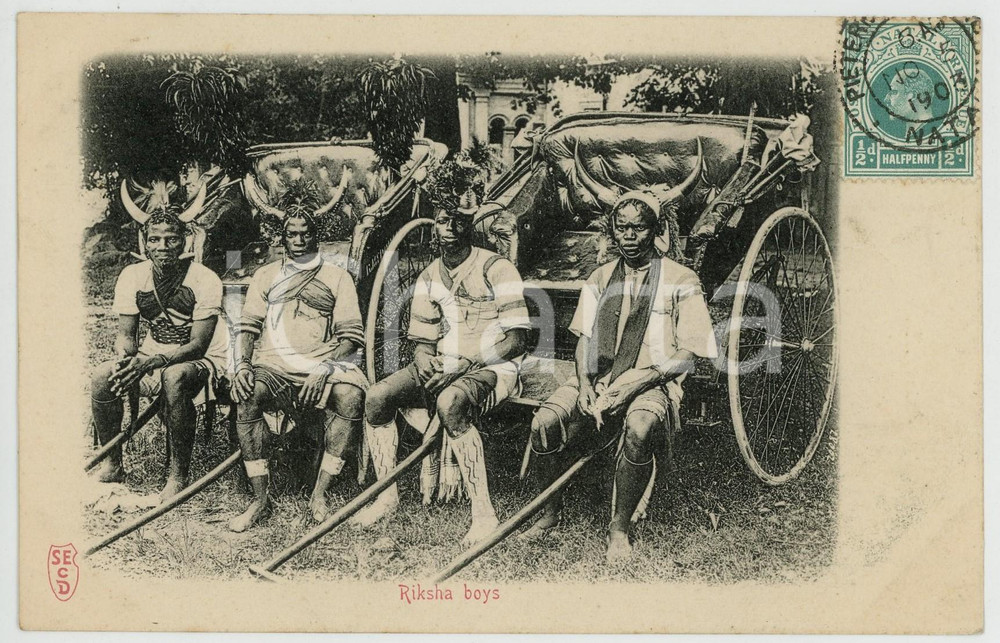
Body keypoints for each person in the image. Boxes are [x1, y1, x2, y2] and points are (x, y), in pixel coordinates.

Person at [520, 188, 718, 563]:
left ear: (656, 230)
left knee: (640, 428)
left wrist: (637, 384)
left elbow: (688, 353)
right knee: (543, 423)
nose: (629, 236)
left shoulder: (681, 279)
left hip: (653, 381)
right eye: (621, 227)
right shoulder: (600, 277)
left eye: (638, 228)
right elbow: (584, 340)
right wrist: (583, 385)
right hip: (598, 378)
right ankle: (549, 513)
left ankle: (619, 527)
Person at [355, 190, 532, 546]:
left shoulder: (497, 268)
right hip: (445, 365)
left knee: (450, 402)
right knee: (376, 397)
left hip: (493, 366)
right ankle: (387, 496)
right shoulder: (428, 276)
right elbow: (422, 344)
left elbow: (516, 342)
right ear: (434, 225)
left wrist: (467, 362)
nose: (449, 229)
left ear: (472, 225)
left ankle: (484, 515)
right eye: (442, 221)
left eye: (458, 222)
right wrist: (424, 361)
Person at [227, 202, 368, 532]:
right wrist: (243, 365)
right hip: (273, 365)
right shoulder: (265, 275)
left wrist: (326, 367)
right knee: (247, 394)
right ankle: (260, 499)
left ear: (317, 237)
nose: (299, 240)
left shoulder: (337, 277)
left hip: (323, 363)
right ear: (283, 237)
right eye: (292, 234)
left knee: (350, 396)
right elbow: (247, 329)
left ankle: (320, 494)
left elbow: (351, 337)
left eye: (306, 234)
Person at [90, 204, 230, 500]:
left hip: (204, 359)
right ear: (144, 242)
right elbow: (126, 335)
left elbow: (198, 345)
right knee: (103, 376)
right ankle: (113, 464)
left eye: (171, 239)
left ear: (185, 241)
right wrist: (125, 358)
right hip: (152, 355)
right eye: (154, 239)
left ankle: (178, 475)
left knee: (174, 376)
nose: (162, 246)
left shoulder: (205, 279)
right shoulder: (132, 275)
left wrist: (150, 362)